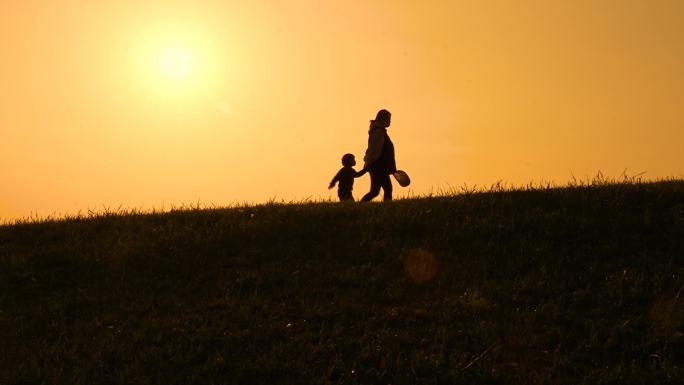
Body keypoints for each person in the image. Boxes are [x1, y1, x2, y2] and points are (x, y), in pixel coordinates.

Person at [361, 109, 397, 202]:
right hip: (378, 166)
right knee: (387, 188)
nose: (389, 122)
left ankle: (360, 205)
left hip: (377, 166)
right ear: (382, 119)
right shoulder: (378, 132)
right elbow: (375, 149)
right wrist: (370, 161)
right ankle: (388, 208)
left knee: (375, 191)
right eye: (388, 119)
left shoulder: (378, 131)